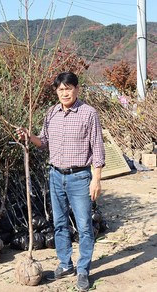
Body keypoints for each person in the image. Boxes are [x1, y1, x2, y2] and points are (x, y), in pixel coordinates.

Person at [16, 72, 105, 292]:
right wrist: (28, 136)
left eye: (68, 88)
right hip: (55, 175)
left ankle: (83, 269)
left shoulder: (88, 114)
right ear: (56, 91)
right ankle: (66, 264)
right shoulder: (51, 113)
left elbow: (98, 150)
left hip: (80, 177)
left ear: (77, 89)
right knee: (59, 224)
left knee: (84, 226)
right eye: (60, 89)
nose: (64, 93)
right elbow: (43, 142)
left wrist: (96, 180)